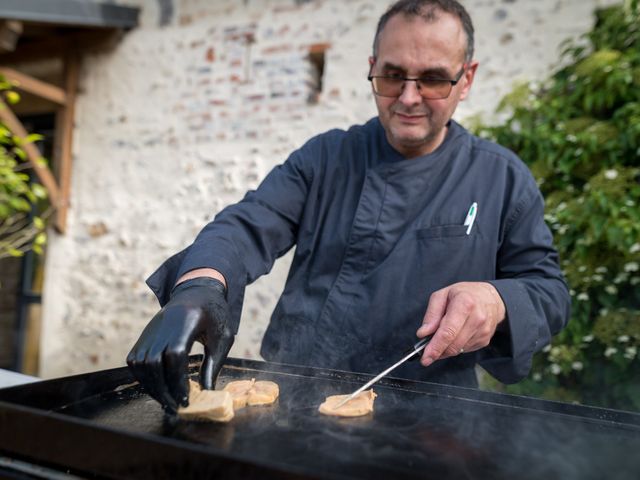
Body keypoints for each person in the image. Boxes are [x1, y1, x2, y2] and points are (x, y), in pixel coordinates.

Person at [127, 0, 571, 413]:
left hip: (434, 419)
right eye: (393, 75)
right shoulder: (325, 158)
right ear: (373, 68)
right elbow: (247, 225)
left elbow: (548, 289)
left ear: (466, 78)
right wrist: (199, 286)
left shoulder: (502, 178)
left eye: (433, 78)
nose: (409, 97)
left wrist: (497, 300)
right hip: (293, 404)